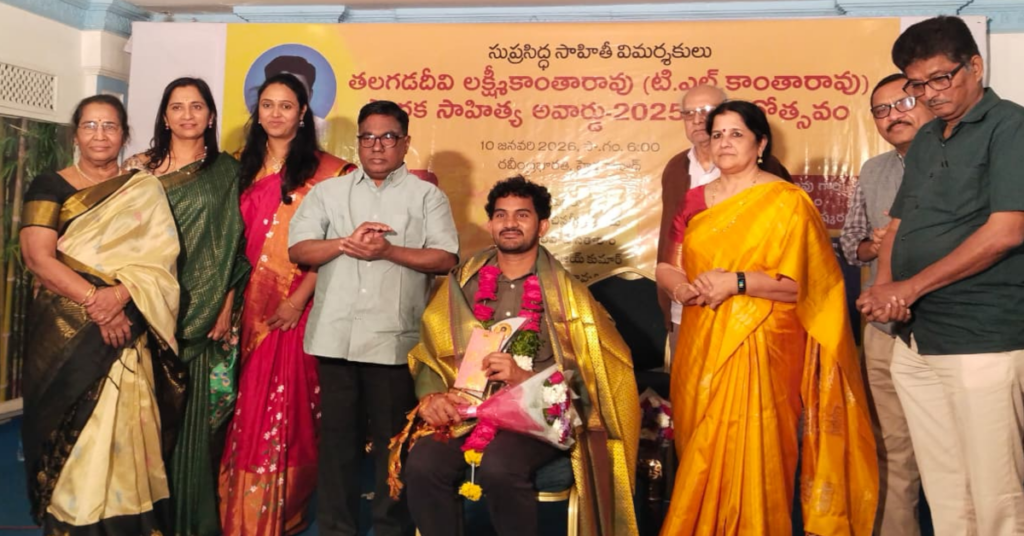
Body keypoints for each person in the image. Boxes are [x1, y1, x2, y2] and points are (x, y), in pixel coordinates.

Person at [656, 101, 878, 535]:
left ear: (760, 144)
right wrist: (682, 289)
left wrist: (737, 282)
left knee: (758, 449)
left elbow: (805, 287)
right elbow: (667, 266)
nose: (724, 142)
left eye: (736, 134)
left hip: (765, 341)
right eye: (717, 134)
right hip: (701, 338)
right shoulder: (694, 200)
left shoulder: (787, 202)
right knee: (701, 447)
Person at [390, 175, 640, 536]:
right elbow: (431, 351)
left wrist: (524, 380)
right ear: (490, 224)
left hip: (536, 416)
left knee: (499, 466)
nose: (510, 223)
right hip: (467, 410)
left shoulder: (570, 297)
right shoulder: (462, 283)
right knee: (424, 463)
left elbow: (596, 377)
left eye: (522, 215)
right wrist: (431, 396)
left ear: (543, 226)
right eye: (501, 215)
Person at [856, 16, 1024, 536]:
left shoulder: (1010, 126)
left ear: (975, 66)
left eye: (940, 78)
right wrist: (885, 287)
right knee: (946, 488)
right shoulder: (928, 137)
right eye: (917, 84)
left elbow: (1007, 231)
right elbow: (898, 224)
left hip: (981, 339)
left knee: (996, 493)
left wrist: (909, 287)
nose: (930, 94)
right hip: (915, 338)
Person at [287, 100, 459, 536]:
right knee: (337, 447)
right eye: (368, 137)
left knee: (392, 447)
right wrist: (344, 243)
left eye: (387, 137)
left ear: (405, 142)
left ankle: (389, 529)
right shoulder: (329, 193)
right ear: (358, 141)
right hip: (335, 340)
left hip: (394, 343)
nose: (377, 146)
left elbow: (445, 258)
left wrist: (389, 251)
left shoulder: (426, 197)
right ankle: (336, 530)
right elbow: (299, 249)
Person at [20, 95, 183, 534]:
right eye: (90, 126)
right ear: (75, 135)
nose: (100, 135)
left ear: (124, 134)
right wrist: (97, 301)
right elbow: (37, 258)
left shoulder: (143, 189)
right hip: (65, 329)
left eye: (110, 126)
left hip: (127, 325)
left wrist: (121, 295)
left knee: (127, 429)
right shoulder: (48, 185)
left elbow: (161, 260)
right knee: (73, 428)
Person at [219, 73, 356, 536]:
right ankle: (239, 512)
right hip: (243, 309)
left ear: (302, 114)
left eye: (286, 105)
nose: (275, 113)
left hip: (299, 310)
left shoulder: (331, 174)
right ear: (257, 112)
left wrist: (297, 300)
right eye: (267, 105)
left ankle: (281, 512)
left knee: (287, 411)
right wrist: (226, 304)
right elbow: (225, 246)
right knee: (241, 410)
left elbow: (340, 244)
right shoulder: (236, 168)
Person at [122, 76, 250, 536]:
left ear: (211, 116)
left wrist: (226, 303)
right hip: (144, 304)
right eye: (177, 107)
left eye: (197, 107)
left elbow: (238, 245)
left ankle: (190, 521)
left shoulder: (229, 172)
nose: (187, 115)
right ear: (164, 115)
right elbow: (121, 238)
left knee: (194, 422)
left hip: (203, 309)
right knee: (141, 420)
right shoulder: (139, 169)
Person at [839, 72, 933, 536]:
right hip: (882, 331)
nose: (893, 115)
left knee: (956, 447)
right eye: (881, 110)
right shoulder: (874, 170)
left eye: (903, 103)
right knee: (891, 449)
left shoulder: (960, 162)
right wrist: (875, 247)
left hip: (945, 325)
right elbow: (851, 245)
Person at [657, 85, 791, 340]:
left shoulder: (775, 185)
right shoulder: (676, 168)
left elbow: (796, 272)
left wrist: (735, 282)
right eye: (689, 113)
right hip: (690, 312)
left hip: (756, 318)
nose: (698, 120)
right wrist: (681, 289)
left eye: (706, 111)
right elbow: (670, 252)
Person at [264, 55, 328, 141]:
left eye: (298, 89)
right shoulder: (247, 144)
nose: (290, 96)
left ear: (310, 95)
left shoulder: (327, 131)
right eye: (284, 88)